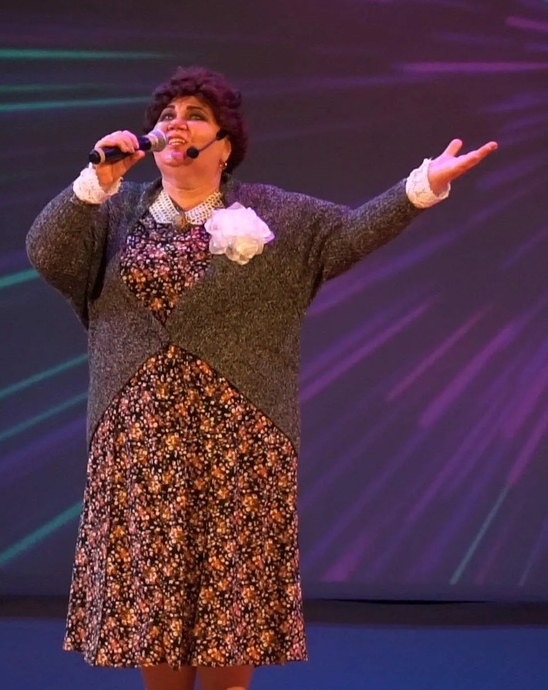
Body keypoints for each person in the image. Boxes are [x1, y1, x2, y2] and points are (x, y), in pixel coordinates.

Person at [26, 67, 496, 690]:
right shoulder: (114, 215)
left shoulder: (275, 214)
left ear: (224, 146)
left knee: (232, 607)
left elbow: (349, 233)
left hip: (241, 444)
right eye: (166, 116)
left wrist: (421, 187)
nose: (175, 124)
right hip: (138, 445)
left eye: (194, 115)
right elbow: (47, 253)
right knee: (152, 606)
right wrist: (95, 182)